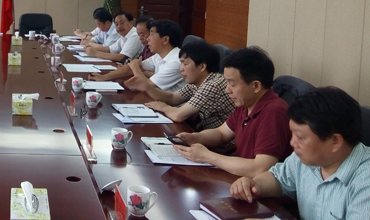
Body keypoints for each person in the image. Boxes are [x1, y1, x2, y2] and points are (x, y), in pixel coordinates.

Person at [230, 87, 370, 220]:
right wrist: (253, 185)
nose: (293, 143)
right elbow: (278, 178)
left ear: (335, 141)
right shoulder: (308, 157)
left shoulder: (365, 181)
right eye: (292, 134)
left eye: (301, 137)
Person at [172, 47, 292, 177]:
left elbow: (260, 168)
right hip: (238, 177)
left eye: (232, 84)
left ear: (256, 86)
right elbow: (221, 133)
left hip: (255, 184)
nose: (227, 90)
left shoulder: (273, 113)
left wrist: (207, 156)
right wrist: (194, 137)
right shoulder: (246, 103)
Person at [143, 39, 235, 129]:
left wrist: (163, 107)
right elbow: (172, 98)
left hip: (225, 139)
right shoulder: (197, 81)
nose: (181, 68)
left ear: (202, 66)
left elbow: (178, 115)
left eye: (185, 64)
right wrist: (146, 87)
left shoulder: (213, 85)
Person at [90, 19, 185, 92]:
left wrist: (135, 66)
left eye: (151, 34)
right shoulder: (159, 56)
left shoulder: (176, 61)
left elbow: (146, 85)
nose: (148, 39)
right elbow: (130, 68)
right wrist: (104, 77)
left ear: (165, 40)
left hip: (171, 108)